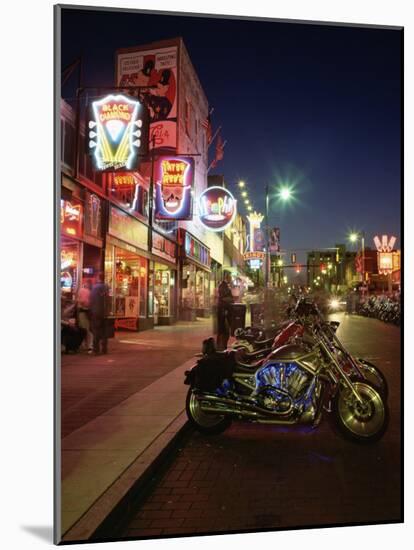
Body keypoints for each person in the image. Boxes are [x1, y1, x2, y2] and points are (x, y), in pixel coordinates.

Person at [90, 272, 109, 355]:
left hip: (96, 312)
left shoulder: (94, 288)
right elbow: (108, 300)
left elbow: (92, 300)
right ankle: (104, 348)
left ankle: (96, 349)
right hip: (104, 312)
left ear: (98, 277)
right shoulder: (106, 287)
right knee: (104, 331)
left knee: (96, 331)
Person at [216, 271, 234, 351]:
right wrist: (230, 300)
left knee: (224, 330)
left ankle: (222, 345)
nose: (231, 279)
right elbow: (223, 298)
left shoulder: (225, 286)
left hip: (225, 310)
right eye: (230, 277)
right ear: (227, 277)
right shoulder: (223, 286)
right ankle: (220, 346)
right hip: (223, 310)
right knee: (223, 330)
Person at [76, 280, 93, 353]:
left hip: (81, 312)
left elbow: (81, 301)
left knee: (83, 329)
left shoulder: (81, 290)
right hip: (86, 312)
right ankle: (89, 345)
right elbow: (85, 302)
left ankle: (83, 344)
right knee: (87, 329)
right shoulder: (88, 292)